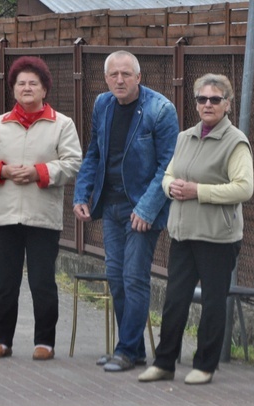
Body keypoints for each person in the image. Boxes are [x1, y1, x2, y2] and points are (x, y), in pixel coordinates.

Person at [138, 74, 254, 385]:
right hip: (182, 232)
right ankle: (164, 363)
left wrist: (198, 191)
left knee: (213, 302)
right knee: (175, 299)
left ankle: (204, 365)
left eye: (215, 99)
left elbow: (244, 188)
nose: (207, 104)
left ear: (227, 104)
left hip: (217, 236)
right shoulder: (184, 137)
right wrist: (170, 186)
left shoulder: (236, 142)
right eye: (202, 99)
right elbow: (168, 173)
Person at [73, 51, 179, 372]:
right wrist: (82, 193)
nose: (120, 80)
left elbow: (168, 166)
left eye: (126, 74)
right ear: (106, 78)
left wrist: (147, 210)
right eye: (114, 74)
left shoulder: (160, 110)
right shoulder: (102, 105)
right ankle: (132, 350)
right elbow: (94, 152)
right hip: (112, 205)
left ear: (138, 77)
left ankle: (125, 350)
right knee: (116, 278)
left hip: (143, 208)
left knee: (134, 278)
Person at [0, 56, 82, 360]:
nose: (27, 88)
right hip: (5, 215)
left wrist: (39, 173)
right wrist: (2, 171)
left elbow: (73, 162)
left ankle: (45, 343)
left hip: (42, 217)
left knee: (42, 282)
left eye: (34, 83)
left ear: (45, 89)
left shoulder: (62, 124)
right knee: (5, 284)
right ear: (13, 90)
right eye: (21, 83)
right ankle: (2, 341)